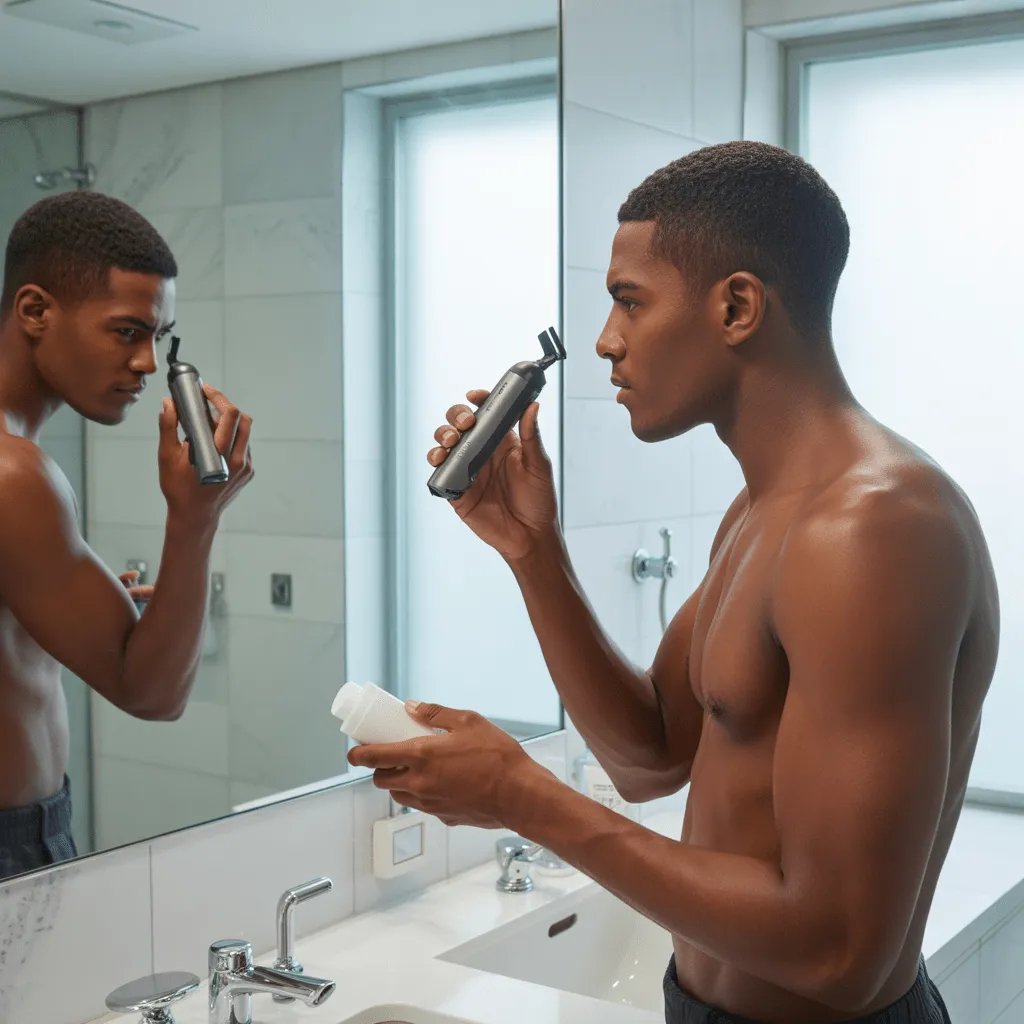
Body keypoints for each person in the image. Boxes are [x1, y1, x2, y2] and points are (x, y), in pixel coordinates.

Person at [348, 141, 999, 1024]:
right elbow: (651, 754)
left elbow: (841, 952)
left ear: (737, 306)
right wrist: (535, 553)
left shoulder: (872, 530)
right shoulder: (764, 511)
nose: (606, 340)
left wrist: (521, 796)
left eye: (629, 301)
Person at [0, 191, 253, 880]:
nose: (146, 362)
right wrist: (195, 519)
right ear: (35, 311)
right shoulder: (14, 473)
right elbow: (153, 695)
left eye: (158, 336)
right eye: (126, 331)